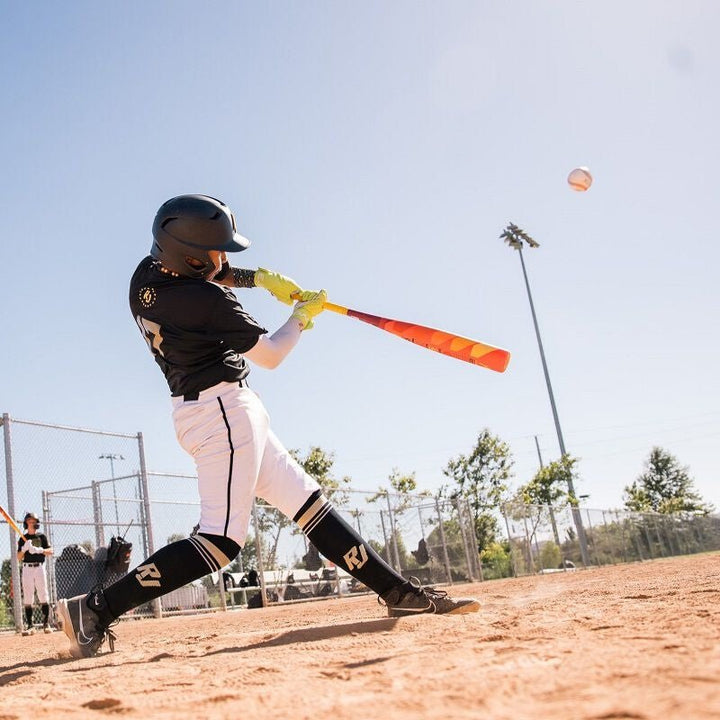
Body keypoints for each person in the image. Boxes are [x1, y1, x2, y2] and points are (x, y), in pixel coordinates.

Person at [58, 194, 479, 658]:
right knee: (219, 541)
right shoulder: (207, 300)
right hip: (223, 414)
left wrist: (258, 279)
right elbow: (272, 354)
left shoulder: (146, 276)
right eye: (218, 252)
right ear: (193, 258)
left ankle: (398, 593)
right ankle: (96, 608)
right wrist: (300, 316)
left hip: (209, 410)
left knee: (307, 502)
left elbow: (206, 276)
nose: (225, 259)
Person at [17, 512, 54, 635]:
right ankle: (30, 626)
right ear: (27, 522)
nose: (34, 523)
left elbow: (51, 551)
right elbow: (18, 557)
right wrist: (24, 549)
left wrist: (40, 550)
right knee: (28, 596)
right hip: (27, 568)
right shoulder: (23, 538)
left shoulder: (41, 536)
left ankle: (46, 624)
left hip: (39, 568)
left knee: (43, 594)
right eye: (31, 521)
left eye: (35, 521)